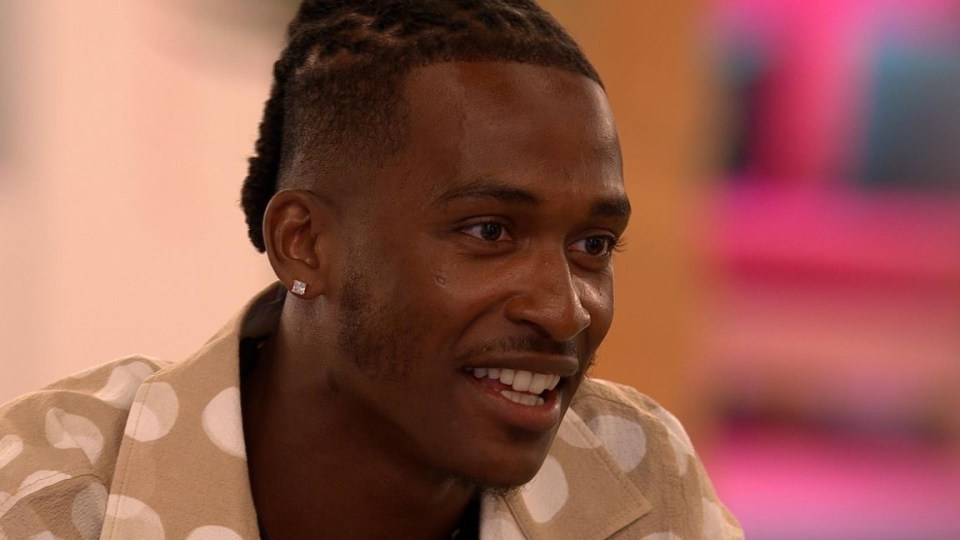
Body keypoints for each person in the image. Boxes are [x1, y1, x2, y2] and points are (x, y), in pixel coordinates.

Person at [0, 1, 742, 538]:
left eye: (593, 246)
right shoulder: (49, 497)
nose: (565, 311)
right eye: (490, 231)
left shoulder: (635, 476)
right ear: (305, 244)